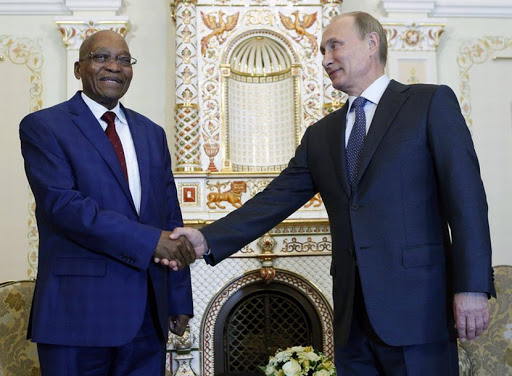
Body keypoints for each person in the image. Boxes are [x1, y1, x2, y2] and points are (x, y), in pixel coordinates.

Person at [166, 11, 496, 375]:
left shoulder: (428, 104)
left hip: (419, 310)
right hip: (352, 322)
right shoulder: (321, 134)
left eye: (334, 46)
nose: (325, 59)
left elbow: (466, 202)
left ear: (372, 44)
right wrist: (206, 238)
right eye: (322, 49)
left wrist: (471, 287)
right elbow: (274, 200)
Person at [19, 30, 196, 376]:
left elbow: (170, 217)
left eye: (124, 60)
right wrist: (149, 241)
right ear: (78, 68)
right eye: (101, 57)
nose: (114, 66)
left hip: (148, 317)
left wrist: (178, 297)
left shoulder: (152, 134)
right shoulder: (44, 127)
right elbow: (65, 206)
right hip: (77, 316)